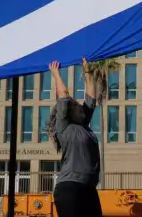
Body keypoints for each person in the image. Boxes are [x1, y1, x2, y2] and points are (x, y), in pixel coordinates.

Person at [47, 57, 101, 217]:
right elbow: (63, 96)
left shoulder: (84, 124)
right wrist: (56, 73)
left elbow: (91, 97)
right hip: (70, 188)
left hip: (89, 187)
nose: (81, 107)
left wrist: (87, 71)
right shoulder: (64, 126)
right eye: (77, 106)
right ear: (68, 112)